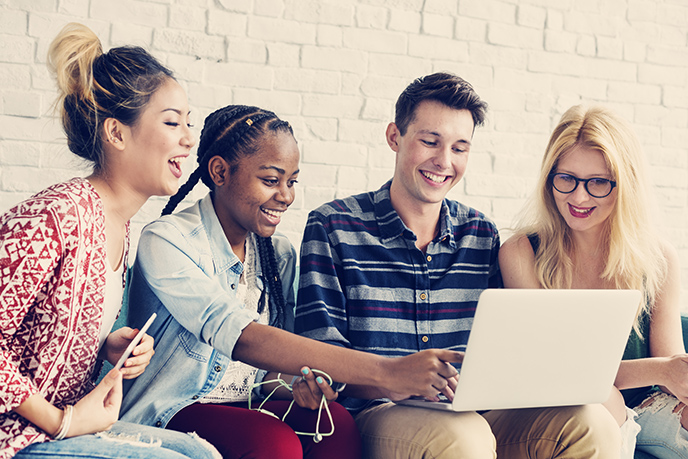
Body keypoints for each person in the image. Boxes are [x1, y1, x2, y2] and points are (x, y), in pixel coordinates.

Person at [295, 72, 622, 458]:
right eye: (430, 142)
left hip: (476, 414)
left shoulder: (480, 233)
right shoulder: (333, 225)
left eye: (459, 148)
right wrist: (393, 378)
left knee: (592, 424)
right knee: (462, 436)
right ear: (394, 137)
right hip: (379, 411)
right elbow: (321, 355)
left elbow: (508, 351)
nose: (443, 161)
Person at [119, 104, 464, 459]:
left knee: (337, 424)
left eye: (291, 181)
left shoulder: (277, 254)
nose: (285, 196)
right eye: (271, 180)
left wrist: (300, 385)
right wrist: (386, 372)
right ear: (220, 171)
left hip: (247, 403)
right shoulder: (167, 240)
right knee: (272, 442)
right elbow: (240, 336)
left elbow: (264, 375)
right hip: (171, 409)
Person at [0, 23, 219, 459]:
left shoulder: (119, 227)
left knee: (203, 455)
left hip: (60, 426)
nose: (189, 138)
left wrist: (107, 345)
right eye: (172, 122)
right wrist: (59, 420)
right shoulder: (57, 215)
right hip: (19, 434)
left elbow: (46, 329)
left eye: (188, 123)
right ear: (117, 134)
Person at [498, 105, 686, 459]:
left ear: (624, 184)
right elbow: (557, 373)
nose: (579, 197)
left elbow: (670, 372)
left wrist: (673, 372)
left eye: (598, 182)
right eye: (566, 178)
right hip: (570, 412)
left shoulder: (658, 258)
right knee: (601, 397)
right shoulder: (522, 252)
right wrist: (659, 370)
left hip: (646, 408)